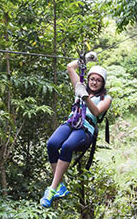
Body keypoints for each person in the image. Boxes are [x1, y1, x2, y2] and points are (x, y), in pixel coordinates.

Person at [40, 61, 112, 208]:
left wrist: (84, 96)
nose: (94, 82)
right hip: (72, 122)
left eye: (98, 80)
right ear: (88, 79)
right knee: (52, 144)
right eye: (92, 79)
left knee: (67, 146)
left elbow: (97, 112)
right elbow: (69, 67)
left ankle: (52, 189)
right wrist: (83, 59)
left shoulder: (106, 98)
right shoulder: (80, 88)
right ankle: (60, 186)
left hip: (85, 130)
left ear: (102, 83)